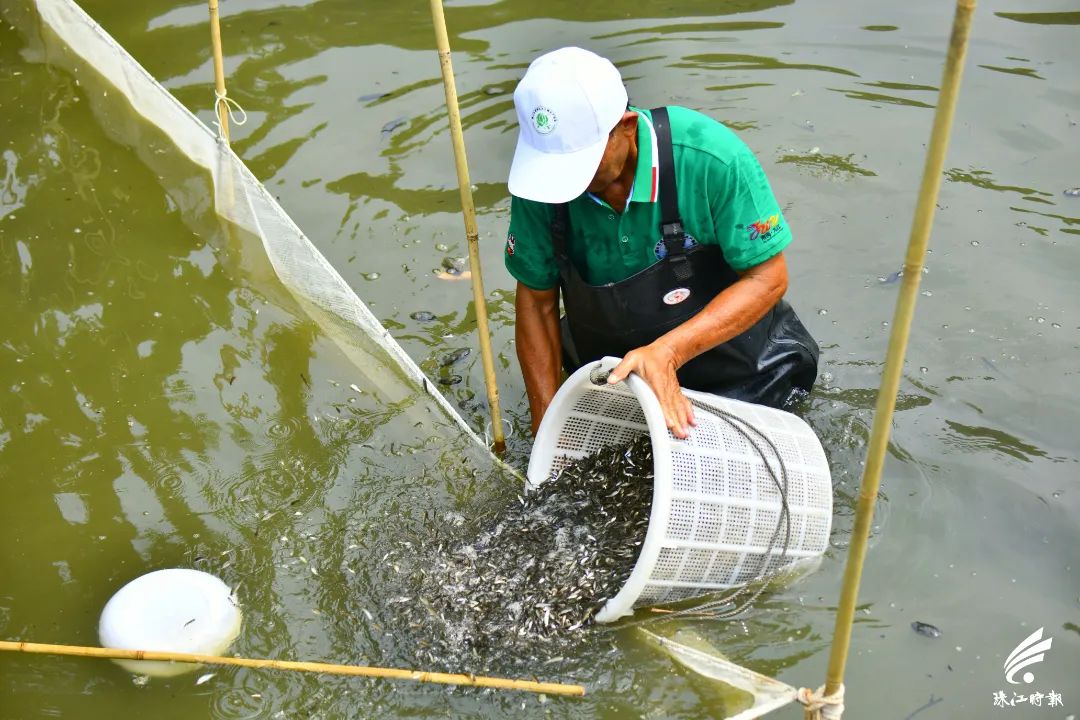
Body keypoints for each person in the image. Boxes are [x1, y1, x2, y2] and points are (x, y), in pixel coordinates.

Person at [504, 47, 819, 439]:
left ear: (627, 127)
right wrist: (547, 429)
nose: (569, 184)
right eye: (556, 168)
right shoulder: (542, 187)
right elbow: (537, 301)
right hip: (619, 383)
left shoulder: (711, 159)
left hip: (745, 374)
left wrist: (668, 352)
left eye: (580, 164)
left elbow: (768, 278)